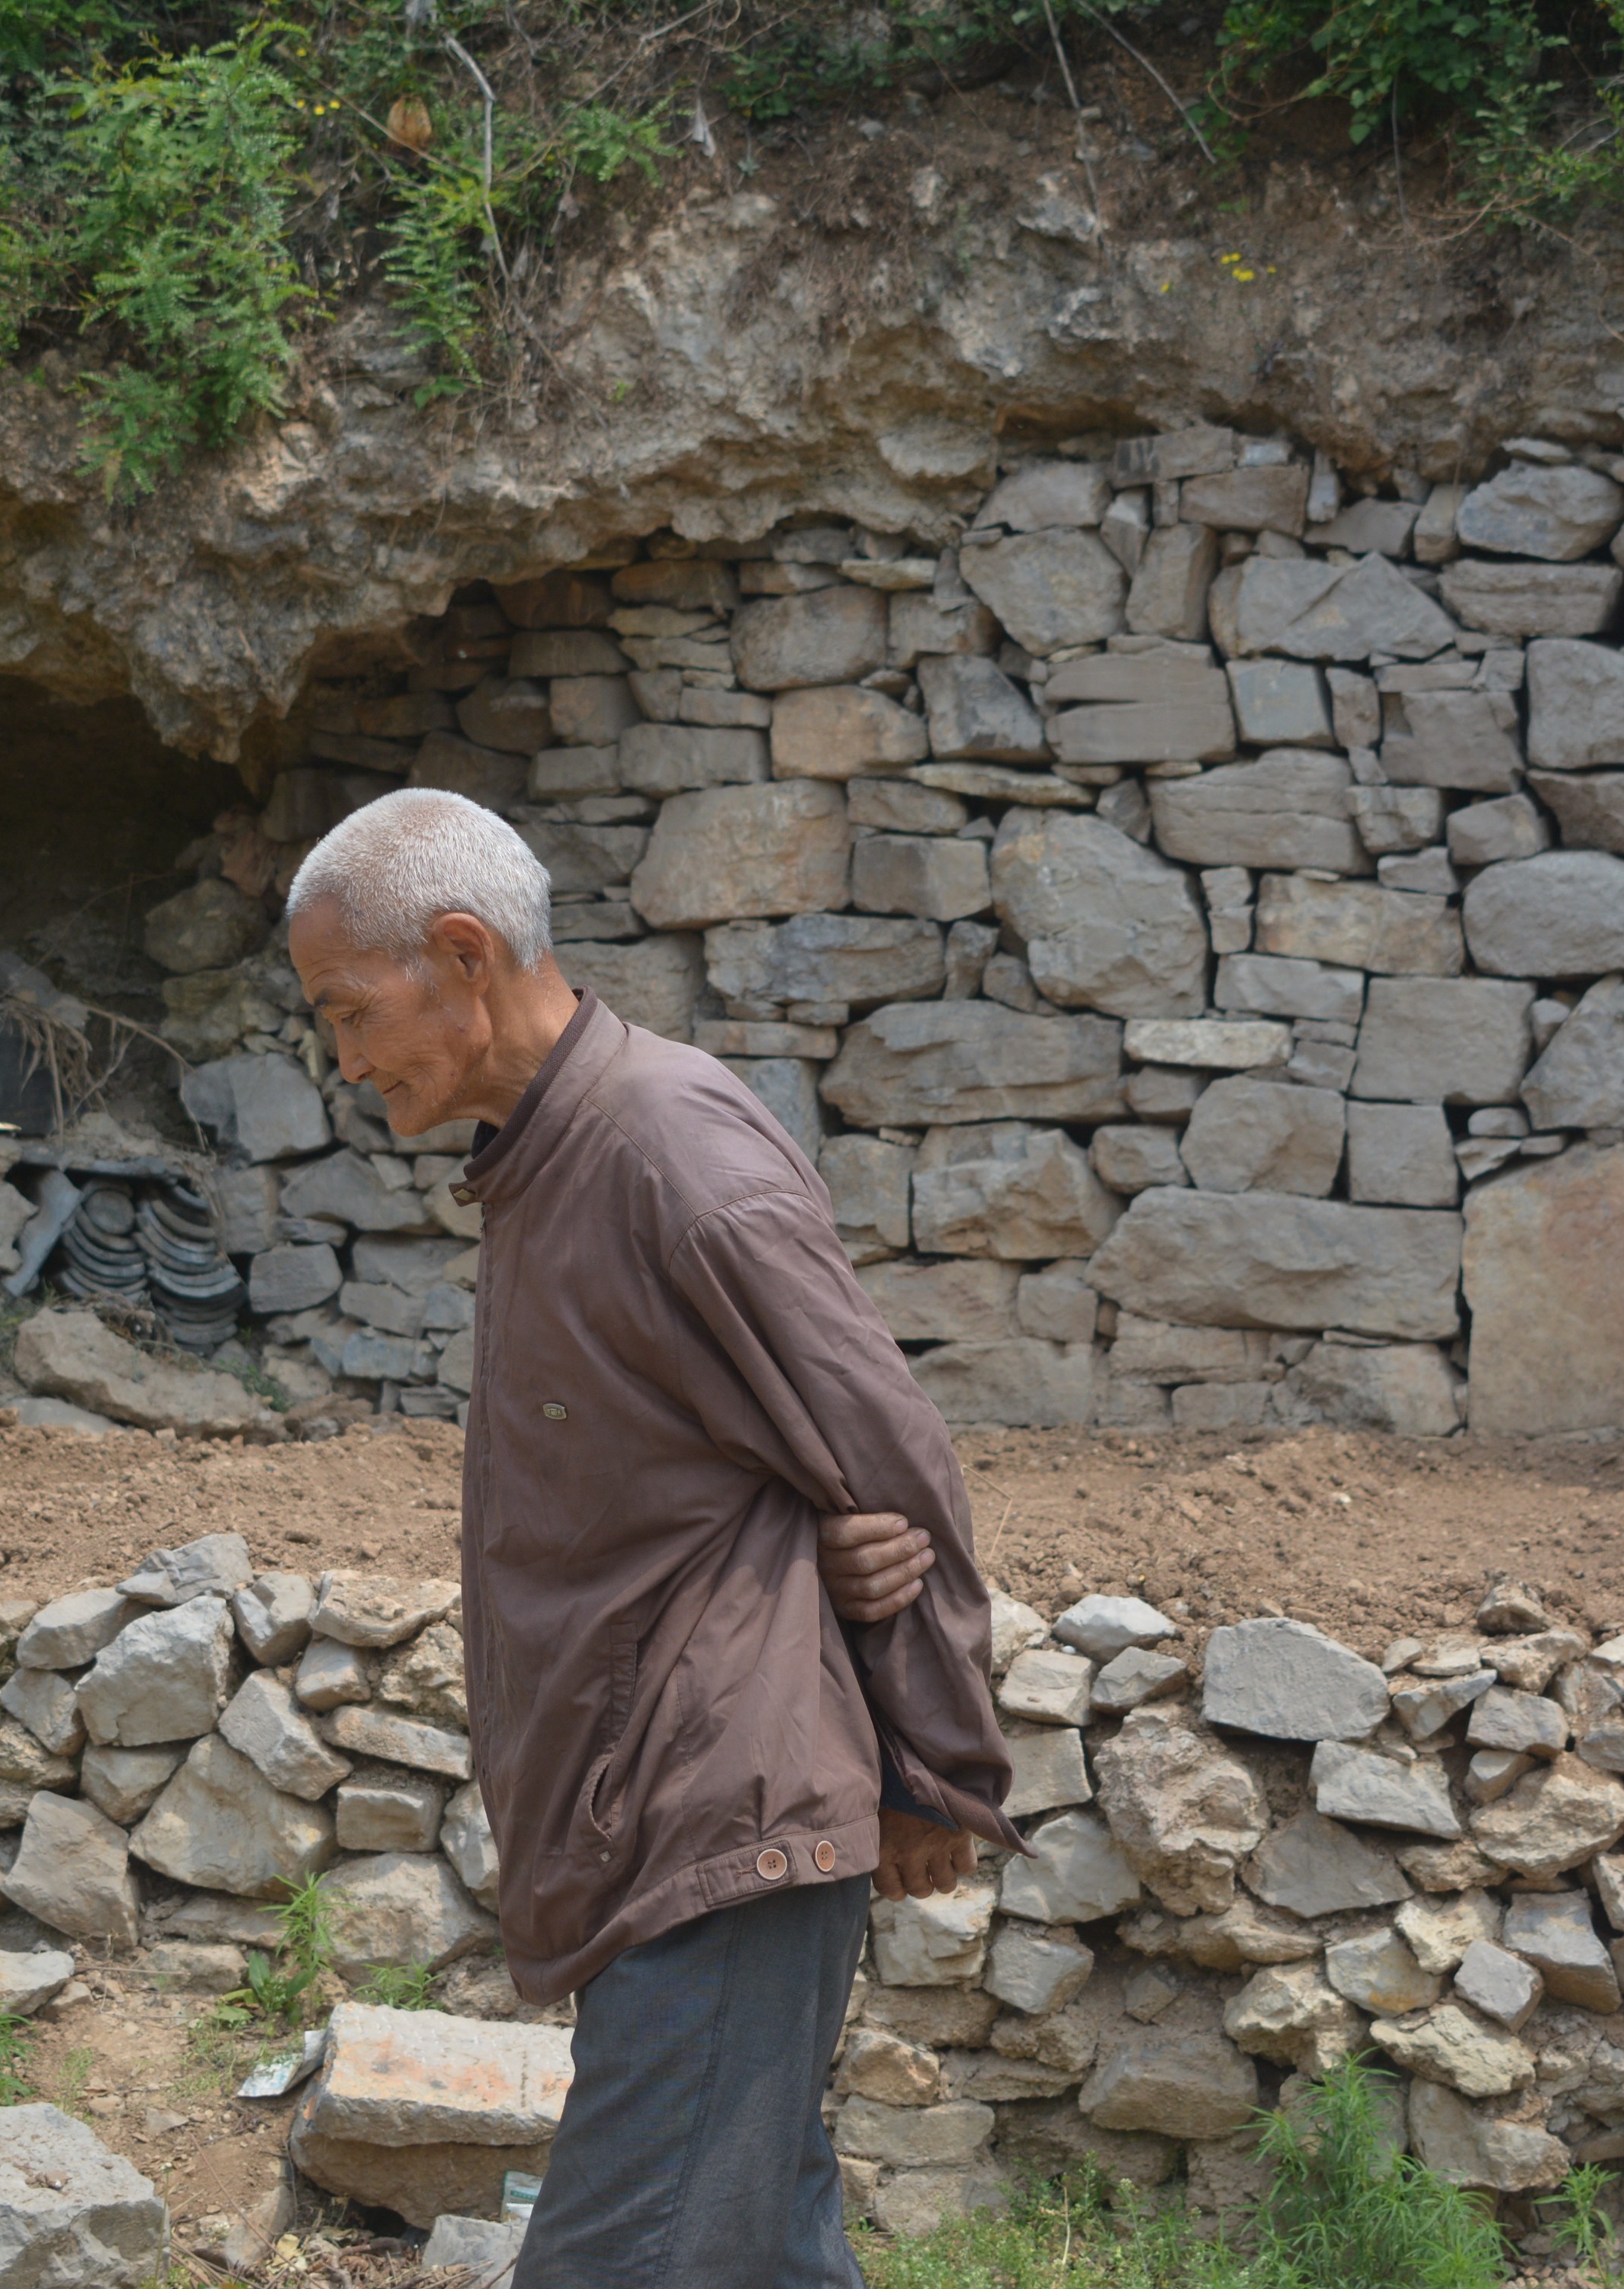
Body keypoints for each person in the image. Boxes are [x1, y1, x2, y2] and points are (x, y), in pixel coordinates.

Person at [284, 787, 1021, 2288]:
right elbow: (716, 1473)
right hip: (665, 1812)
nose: (345, 1060)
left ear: (463, 952)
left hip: (720, 1818)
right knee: (760, 2253)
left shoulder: (661, 1144)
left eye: (351, 1013)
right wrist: (779, 1550)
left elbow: (884, 1457)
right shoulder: (553, 1157)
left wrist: (932, 1757)